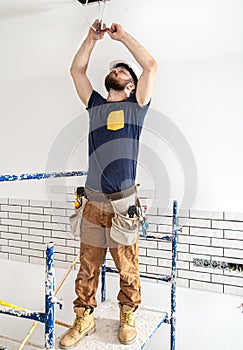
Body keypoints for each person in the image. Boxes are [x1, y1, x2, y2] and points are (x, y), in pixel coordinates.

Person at [59, 20, 157, 349]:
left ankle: (127, 314)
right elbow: (76, 71)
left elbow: (151, 65)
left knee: (127, 266)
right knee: (88, 266)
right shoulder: (96, 105)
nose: (117, 69)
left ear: (131, 86)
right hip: (92, 202)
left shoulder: (136, 106)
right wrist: (91, 38)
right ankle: (84, 317)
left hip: (123, 204)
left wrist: (122, 36)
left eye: (123, 70)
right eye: (114, 68)